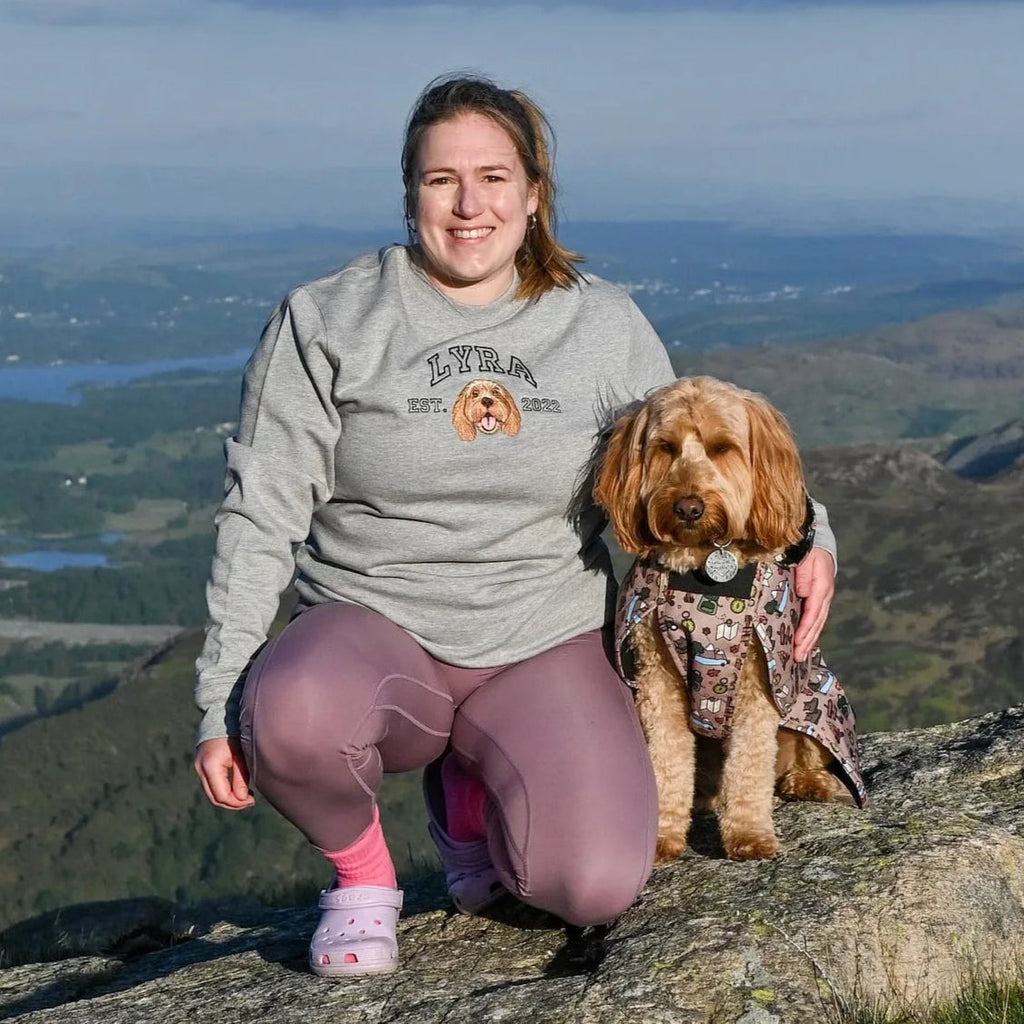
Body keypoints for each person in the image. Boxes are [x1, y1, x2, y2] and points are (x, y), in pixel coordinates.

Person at [193, 73, 838, 978]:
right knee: (286, 716)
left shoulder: (600, 322)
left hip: (543, 635)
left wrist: (811, 539)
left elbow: (698, 453)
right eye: (440, 179)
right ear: (409, 190)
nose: (468, 206)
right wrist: (221, 694)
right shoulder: (328, 319)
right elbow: (260, 509)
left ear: (535, 195)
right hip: (374, 631)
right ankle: (364, 880)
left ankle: (470, 799)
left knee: (591, 882)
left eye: (494, 178)